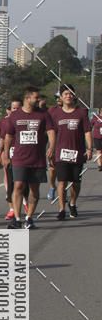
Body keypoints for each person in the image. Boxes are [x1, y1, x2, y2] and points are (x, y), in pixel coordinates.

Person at [4, 86, 55, 229]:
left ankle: (29, 218)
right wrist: (6, 155)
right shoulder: (15, 115)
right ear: (27, 98)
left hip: (37, 159)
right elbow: (8, 136)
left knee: (34, 189)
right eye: (35, 97)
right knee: (18, 185)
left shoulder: (43, 115)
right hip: (19, 158)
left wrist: (51, 147)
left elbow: (51, 131)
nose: (38, 100)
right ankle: (17, 218)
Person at [53, 83, 92, 220]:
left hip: (77, 153)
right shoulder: (56, 113)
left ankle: (73, 203)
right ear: (61, 97)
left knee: (76, 182)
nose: (68, 96)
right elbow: (52, 133)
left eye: (70, 94)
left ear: (74, 96)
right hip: (61, 153)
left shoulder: (81, 113)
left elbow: (87, 131)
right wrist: (51, 149)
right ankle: (61, 209)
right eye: (65, 94)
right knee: (62, 182)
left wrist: (89, 148)